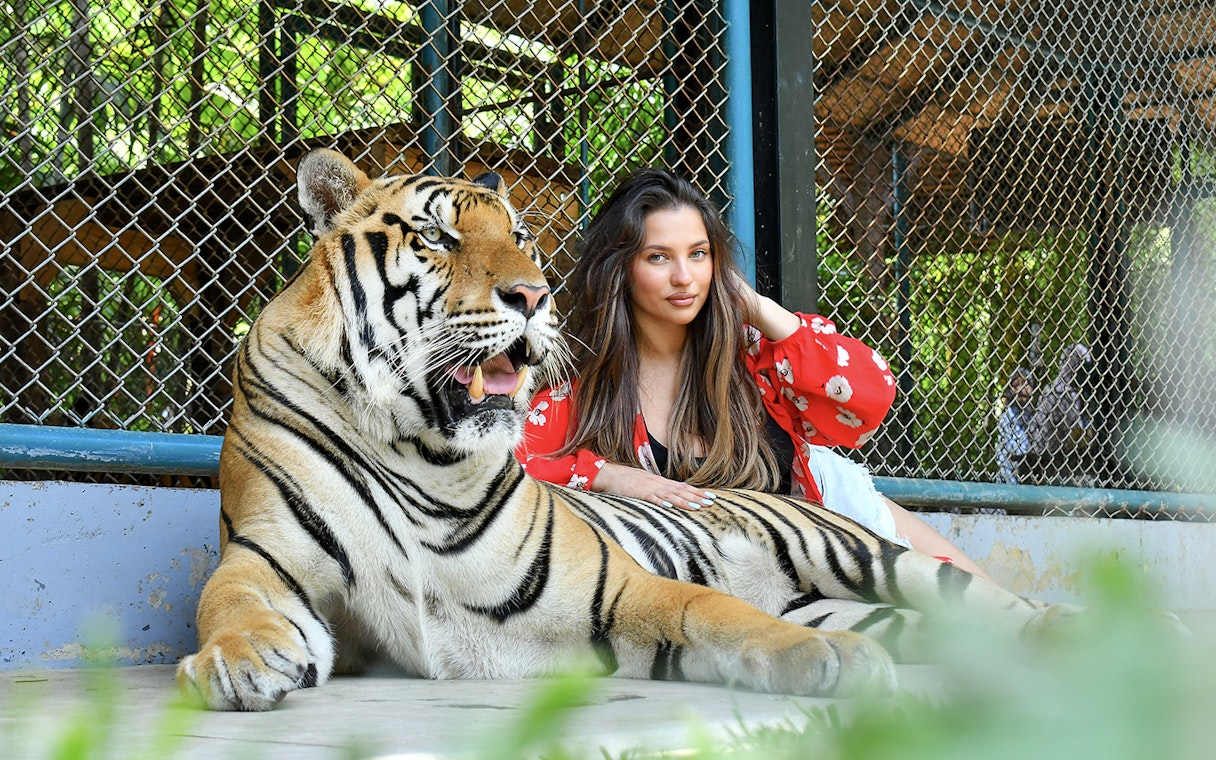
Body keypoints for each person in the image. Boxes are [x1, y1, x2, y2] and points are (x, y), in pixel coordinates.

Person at [516, 168, 992, 580]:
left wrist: (759, 308)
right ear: (621, 270)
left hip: (835, 521)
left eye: (699, 254)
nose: (685, 276)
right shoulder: (584, 391)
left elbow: (869, 398)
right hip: (742, 593)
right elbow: (507, 470)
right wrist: (606, 475)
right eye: (658, 257)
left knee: (999, 611)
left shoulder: (754, 359)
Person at [1022, 343, 1095, 487]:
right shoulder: (1061, 391)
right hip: (1048, 457)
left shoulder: (1075, 390)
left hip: (1062, 457)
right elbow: (1077, 435)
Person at [995, 368, 1035, 484]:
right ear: (1011, 390)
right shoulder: (1008, 417)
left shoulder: (1033, 415)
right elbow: (1010, 452)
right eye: (1016, 385)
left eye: (1026, 384)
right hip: (1010, 474)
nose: (1022, 390)